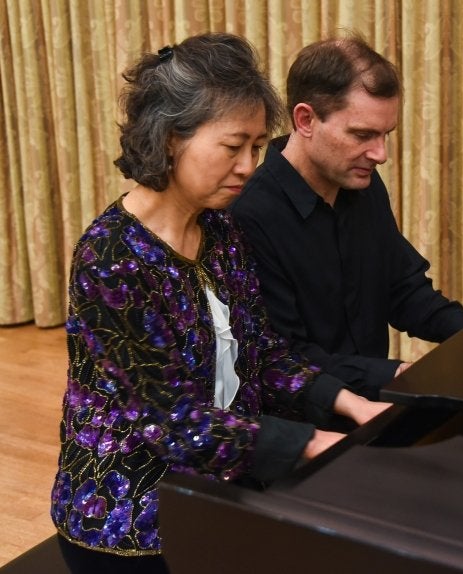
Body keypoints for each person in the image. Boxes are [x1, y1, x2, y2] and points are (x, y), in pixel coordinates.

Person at [49, 32, 389, 573]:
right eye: (234, 147)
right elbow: (173, 421)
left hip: (217, 488)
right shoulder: (113, 256)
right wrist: (309, 442)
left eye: (257, 147)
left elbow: (263, 352)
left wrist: (354, 404)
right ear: (168, 140)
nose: (250, 166)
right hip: (131, 518)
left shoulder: (220, 231)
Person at [230, 34, 463, 400]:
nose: (380, 154)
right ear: (306, 119)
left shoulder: (364, 186)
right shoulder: (250, 215)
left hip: (375, 406)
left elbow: (404, 291)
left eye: (385, 135)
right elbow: (284, 358)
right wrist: (402, 374)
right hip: (307, 427)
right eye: (363, 135)